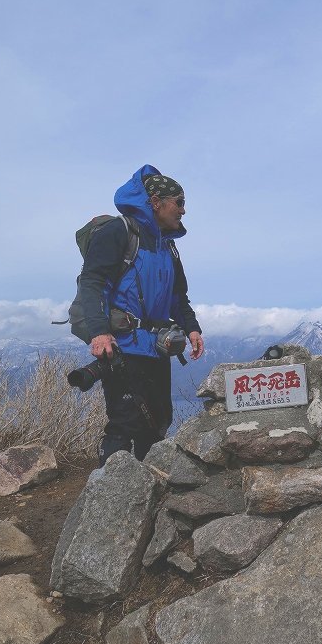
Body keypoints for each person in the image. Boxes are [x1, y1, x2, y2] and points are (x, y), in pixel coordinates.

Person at [78, 165, 205, 466]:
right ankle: (108, 498)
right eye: (179, 203)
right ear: (156, 202)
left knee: (157, 422)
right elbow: (93, 282)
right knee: (124, 424)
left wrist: (192, 329)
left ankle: (149, 497)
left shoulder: (168, 247)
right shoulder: (119, 232)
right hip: (123, 348)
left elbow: (178, 298)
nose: (183, 211)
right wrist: (99, 332)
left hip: (158, 349)